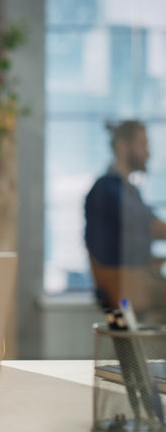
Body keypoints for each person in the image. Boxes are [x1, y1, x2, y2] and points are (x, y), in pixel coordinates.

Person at [84, 120, 166, 315]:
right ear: (123, 146)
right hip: (125, 285)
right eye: (142, 144)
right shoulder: (107, 189)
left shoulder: (129, 191)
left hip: (138, 279)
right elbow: (151, 226)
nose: (148, 153)